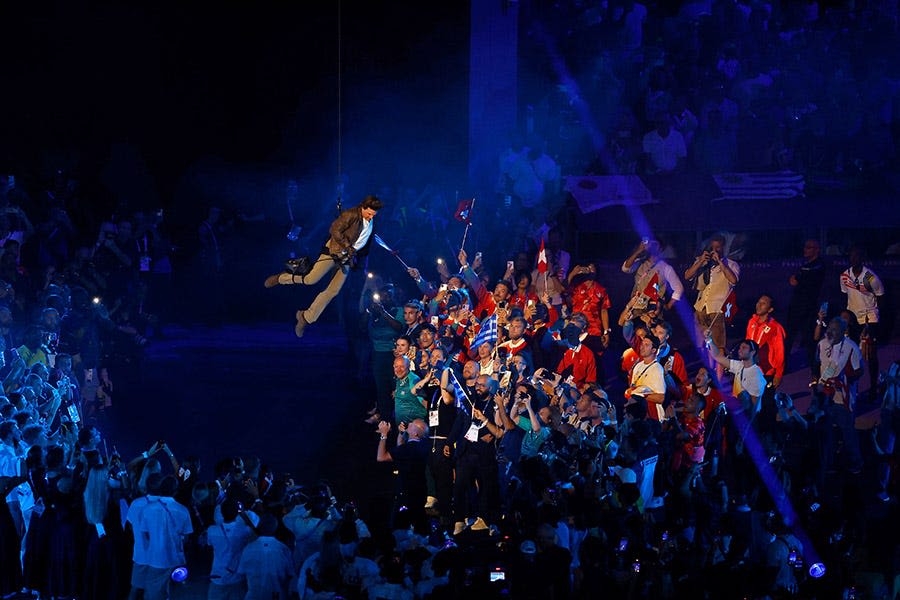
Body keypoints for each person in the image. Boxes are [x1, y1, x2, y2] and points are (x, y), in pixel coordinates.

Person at [264, 195, 384, 338]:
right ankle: (282, 278)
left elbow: (365, 245)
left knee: (333, 291)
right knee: (311, 279)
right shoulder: (351, 214)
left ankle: (306, 317)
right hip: (334, 251)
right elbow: (334, 230)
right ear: (363, 207)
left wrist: (359, 262)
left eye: (374, 214)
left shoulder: (372, 222)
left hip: (348, 258)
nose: (371, 217)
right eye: (369, 213)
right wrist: (347, 245)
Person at [686, 234, 740, 377]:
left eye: (718, 247)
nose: (714, 250)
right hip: (701, 308)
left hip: (717, 310)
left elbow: (733, 281)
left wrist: (721, 263)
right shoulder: (702, 263)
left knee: (718, 346)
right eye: (712, 247)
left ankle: (719, 378)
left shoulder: (731, 264)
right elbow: (687, 276)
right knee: (705, 344)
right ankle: (711, 373)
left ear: (723, 248)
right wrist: (700, 262)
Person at [839, 246, 885, 395]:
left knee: (870, 354)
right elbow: (845, 295)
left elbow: (880, 296)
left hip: (869, 318)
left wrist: (874, 322)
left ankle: (873, 387)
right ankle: (853, 388)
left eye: (856, 257)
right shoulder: (845, 276)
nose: (853, 260)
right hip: (852, 318)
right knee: (851, 352)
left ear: (862, 259)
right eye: (851, 257)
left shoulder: (870, 277)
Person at [376, 419, 430, 531]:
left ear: (415, 433)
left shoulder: (406, 449)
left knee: (401, 524)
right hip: (420, 490)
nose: (409, 424)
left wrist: (383, 434)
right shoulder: (423, 447)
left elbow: (381, 457)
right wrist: (401, 434)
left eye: (412, 424)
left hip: (405, 492)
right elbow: (400, 448)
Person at [784, 239, 825, 365]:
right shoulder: (803, 265)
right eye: (805, 247)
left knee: (810, 338)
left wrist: (799, 278)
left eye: (809, 247)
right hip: (796, 306)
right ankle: (783, 366)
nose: (805, 250)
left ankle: (814, 369)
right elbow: (793, 280)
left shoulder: (818, 266)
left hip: (809, 308)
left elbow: (798, 280)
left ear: (817, 250)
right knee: (789, 336)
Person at [745, 294, 786, 389]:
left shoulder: (775, 328)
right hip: (750, 369)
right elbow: (747, 343)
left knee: (764, 401)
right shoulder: (751, 322)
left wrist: (778, 374)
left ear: (770, 309)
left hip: (766, 372)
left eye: (763, 303)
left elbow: (780, 353)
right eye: (758, 302)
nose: (759, 305)